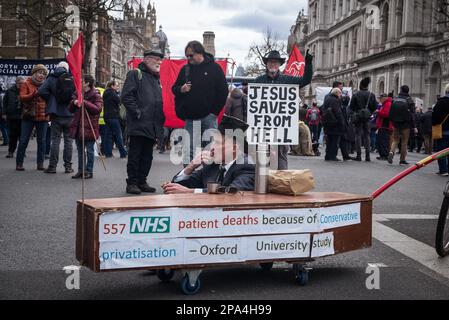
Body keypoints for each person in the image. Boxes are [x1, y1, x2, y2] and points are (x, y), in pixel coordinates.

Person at [163, 115, 255, 194]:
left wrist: (189, 192)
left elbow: (231, 192)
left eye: (218, 143)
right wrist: (191, 166)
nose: (212, 147)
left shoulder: (246, 166)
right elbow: (180, 186)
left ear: (234, 148)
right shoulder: (213, 164)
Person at [254, 49, 313, 169]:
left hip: (281, 127)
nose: (273, 65)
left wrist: (308, 64)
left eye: (275, 62)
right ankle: (263, 183)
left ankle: (281, 183)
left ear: (280, 65)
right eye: (270, 62)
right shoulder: (258, 81)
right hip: (263, 126)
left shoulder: (287, 80)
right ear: (266, 64)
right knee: (263, 157)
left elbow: (305, 80)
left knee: (281, 155)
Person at [172, 41, 228, 164]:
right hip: (191, 118)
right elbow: (174, 88)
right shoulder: (185, 69)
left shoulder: (215, 68)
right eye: (187, 56)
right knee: (189, 150)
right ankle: (188, 178)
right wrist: (181, 89)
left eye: (191, 55)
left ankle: (209, 178)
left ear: (200, 53)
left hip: (209, 117)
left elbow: (223, 91)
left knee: (212, 150)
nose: (188, 58)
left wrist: (214, 112)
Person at [121, 50, 166, 194]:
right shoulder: (135, 74)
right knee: (135, 154)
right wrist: (137, 113)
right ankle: (132, 182)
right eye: (157, 59)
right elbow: (127, 96)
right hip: (139, 123)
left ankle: (142, 181)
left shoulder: (155, 79)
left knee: (147, 155)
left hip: (152, 125)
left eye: (161, 60)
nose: (159, 62)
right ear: (146, 59)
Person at [38, 61, 75, 174]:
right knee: (68, 141)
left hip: (56, 113)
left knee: (55, 140)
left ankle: (52, 166)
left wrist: (51, 99)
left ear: (57, 67)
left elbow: (41, 90)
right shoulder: (72, 78)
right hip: (69, 113)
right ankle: (68, 167)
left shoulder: (51, 78)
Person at [16, 64, 49, 171]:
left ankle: (40, 163)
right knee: (23, 140)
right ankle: (19, 163)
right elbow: (22, 97)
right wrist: (33, 95)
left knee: (42, 141)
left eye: (44, 74)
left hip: (43, 116)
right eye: (40, 73)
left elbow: (50, 100)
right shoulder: (26, 83)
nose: (42, 75)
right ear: (34, 73)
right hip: (29, 116)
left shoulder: (46, 85)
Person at [69, 75, 103, 179]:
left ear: (87, 83)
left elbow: (98, 109)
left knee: (89, 150)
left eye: (81, 81)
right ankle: (80, 170)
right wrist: (74, 102)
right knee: (80, 151)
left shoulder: (96, 94)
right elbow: (70, 109)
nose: (79, 83)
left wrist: (84, 102)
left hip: (90, 126)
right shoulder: (77, 93)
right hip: (78, 126)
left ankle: (89, 171)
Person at [348, 77, 378, 162]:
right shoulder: (371, 95)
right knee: (367, 135)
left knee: (358, 135)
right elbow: (375, 107)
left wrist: (354, 114)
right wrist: (369, 113)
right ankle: (367, 156)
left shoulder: (356, 94)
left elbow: (351, 108)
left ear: (360, 85)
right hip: (367, 117)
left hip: (358, 116)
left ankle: (359, 155)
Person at [388, 85, 417, 165]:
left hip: (396, 123)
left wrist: (392, 121)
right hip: (406, 124)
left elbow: (390, 112)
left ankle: (391, 152)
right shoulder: (409, 100)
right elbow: (413, 114)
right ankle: (402, 160)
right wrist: (414, 126)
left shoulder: (395, 99)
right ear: (408, 91)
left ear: (401, 90)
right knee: (404, 142)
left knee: (395, 140)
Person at [103, 80, 128, 158]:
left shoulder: (105, 93)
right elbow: (119, 101)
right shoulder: (113, 93)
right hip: (113, 116)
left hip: (106, 116)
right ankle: (123, 153)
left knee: (108, 135)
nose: (117, 87)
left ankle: (108, 153)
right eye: (116, 85)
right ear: (112, 86)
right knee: (118, 135)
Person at [2, 77, 25, 158]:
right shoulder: (9, 91)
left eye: (22, 83)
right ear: (16, 82)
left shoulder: (25, 91)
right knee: (12, 136)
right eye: (19, 83)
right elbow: (4, 103)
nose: (21, 84)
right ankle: (11, 152)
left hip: (23, 117)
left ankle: (22, 152)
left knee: (22, 136)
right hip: (11, 117)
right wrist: (4, 113)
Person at [322, 88, 345, 161]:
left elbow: (322, 109)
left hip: (327, 123)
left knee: (329, 140)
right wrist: (342, 122)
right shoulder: (335, 100)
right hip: (335, 123)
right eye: (340, 93)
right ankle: (332, 156)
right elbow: (338, 112)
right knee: (334, 141)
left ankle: (327, 155)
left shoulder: (327, 99)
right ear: (337, 93)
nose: (340, 95)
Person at [432, 84, 449, 176]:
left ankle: (443, 170)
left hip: (443, 131)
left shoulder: (441, 102)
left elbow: (435, 117)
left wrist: (434, 124)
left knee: (441, 151)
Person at [375, 93, 393, 161]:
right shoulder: (385, 104)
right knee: (381, 140)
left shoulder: (387, 104)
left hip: (385, 125)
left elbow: (387, 114)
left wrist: (378, 112)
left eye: (380, 98)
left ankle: (385, 155)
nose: (379, 100)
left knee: (383, 141)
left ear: (384, 98)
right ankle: (382, 154)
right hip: (383, 125)